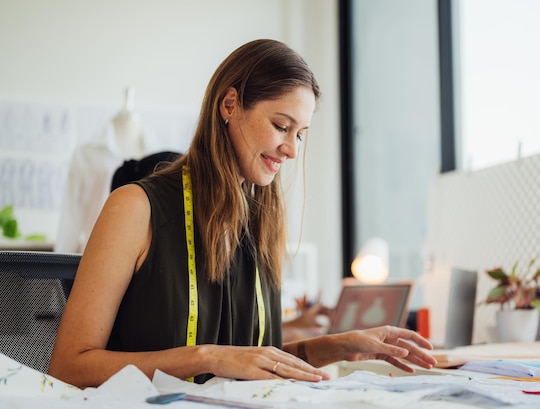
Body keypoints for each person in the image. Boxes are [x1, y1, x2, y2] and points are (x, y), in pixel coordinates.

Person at [48, 39, 437, 388]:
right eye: (281, 126)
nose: (292, 150)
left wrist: (338, 346)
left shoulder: (258, 222)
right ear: (230, 105)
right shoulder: (134, 207)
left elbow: (250, 361)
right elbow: (69, 367)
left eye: (299, 134)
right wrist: (206, 357)